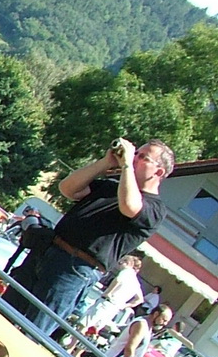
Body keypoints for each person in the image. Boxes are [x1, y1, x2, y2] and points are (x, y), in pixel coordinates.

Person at [15, 137, 175, 325]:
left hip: (74, 270)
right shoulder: (111, 186)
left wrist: (126, 167)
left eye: (143, 157)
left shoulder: (155, 208)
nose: (135, 158)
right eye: (136, 153)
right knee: (3, 313)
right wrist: (106, 163)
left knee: (32, 331)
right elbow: (68, 189)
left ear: (158, 171)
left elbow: (129, 206)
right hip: (47, 252)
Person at [83, 254, 144, 333]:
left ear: (130, 264)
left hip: (106, 302)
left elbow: (118, 280)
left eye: (125, 261)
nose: (121, 262)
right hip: (115, 308)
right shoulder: (136, 283)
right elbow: (140, 299)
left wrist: (109, 292)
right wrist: (125, 305)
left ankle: (71, 345)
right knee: (93, 329)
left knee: (84, 324)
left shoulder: (126, 271)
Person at [108, 304, 174, 357]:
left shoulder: (148, 327)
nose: (165, 324)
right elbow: (130, 348)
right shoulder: (141, 324)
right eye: (164, 320)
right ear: (156, 314)